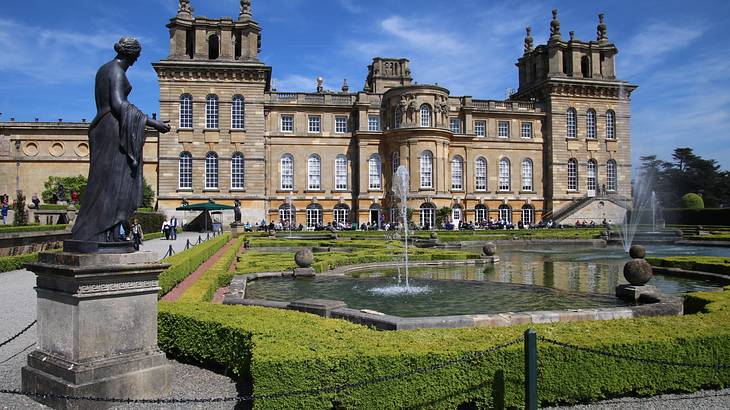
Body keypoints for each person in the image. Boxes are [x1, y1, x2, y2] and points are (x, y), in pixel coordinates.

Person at [71, 37, 170, 244]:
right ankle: (101, 232)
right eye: (137, 55)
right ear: (131, 54)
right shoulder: (115, 71)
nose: (137, 60)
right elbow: (117, 104)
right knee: (116, 181)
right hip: (113, 130)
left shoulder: (103, 70)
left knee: (110, 181)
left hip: (107, 127)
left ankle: (112, 233)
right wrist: (153, 123)